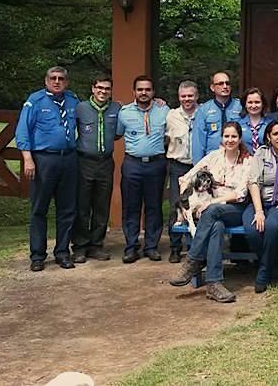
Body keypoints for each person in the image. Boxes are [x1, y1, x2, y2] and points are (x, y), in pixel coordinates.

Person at [169, 121, 252, 303]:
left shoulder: (247, 160)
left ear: (240, 139)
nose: (230, 140)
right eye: (226, 136)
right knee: (216, 226)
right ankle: (214, 284)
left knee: (213, 212)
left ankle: (192, 261)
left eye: (234, 136)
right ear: (222, 138)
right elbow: (187, 177)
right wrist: (187, 199)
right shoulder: (213, 157)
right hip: (211, 213)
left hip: (235, 209)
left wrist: (212, 202)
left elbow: (240, 194)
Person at [15, 66, 80, 272]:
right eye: (53, 78)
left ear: (66, 82)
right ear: (46, 81)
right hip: (43, 160)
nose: (57, 81)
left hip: (69, 159)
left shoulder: (72, 100)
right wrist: (28, 159)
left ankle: (62, 252)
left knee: (67, 209)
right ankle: (37, 255)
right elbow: (22, 130)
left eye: (61, 78)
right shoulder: (35, 101)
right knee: (39, 209)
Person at [116, 75, 171, 264]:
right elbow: (116, 133)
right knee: (131, 206)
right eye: (140, 89)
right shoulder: (124, 113)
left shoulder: (164, 110)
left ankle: (151, 246)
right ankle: (131, 247)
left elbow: (171, 134)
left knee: (154, 206)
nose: (144, 93)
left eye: (148, 89)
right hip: (132, 164)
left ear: (153, 92)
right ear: (134, 92)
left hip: (156, 164)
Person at [71, 75, 121, 263]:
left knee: (101, 206)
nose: (103, 91)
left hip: (105, 162)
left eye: (107, 89)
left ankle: (96, 245)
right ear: (93, 88)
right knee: (82, 206)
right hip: (84, 161)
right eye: (99, 87)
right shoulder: (80, 108)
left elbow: (118, 133)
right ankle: (80, 246)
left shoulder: (117, 108)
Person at [244, 119, 278, 293]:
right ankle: (271, 264)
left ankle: (263, 272)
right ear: (268, 137)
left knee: (272, 228)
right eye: (275, 134)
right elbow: (253, 182)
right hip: (259, 201)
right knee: (252, 230)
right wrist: (258, 211)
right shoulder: (261, 153)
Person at [165, 80, 199, 263]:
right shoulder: (170, 115)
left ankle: (193, 245)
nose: (187, 99)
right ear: (179, 97)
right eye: (183, 96)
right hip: (178, 165)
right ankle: (175, 247)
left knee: (196, 205)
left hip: (199, 166)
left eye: (190, 96)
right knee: (176, 205)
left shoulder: (203, 113)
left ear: (197, 96)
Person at [191, 71, 242, 164]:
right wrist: (198, 166)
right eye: (220, 83)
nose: (225, 86)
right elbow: (198, 141)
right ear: (212, 87)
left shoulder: (240, 107)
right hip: (212, 161)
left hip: (237, 160)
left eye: (227, 83)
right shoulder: (204, 110)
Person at [238, 87, 270, 152]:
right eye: (250, 102)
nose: (253, 105)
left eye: (257, 102)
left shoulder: (271, 124)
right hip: (245, 161)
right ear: (245, 105)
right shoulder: (238, 124)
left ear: (263, 104)